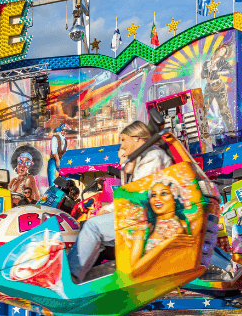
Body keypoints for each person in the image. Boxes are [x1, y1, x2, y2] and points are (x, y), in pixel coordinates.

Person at [66, 121, 173, 283]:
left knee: (93, 227)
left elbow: (137, 193)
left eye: (124, 139)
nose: (122, 145)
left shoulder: (152, 155)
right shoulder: (146, 157)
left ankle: (71, 278)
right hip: (145, 215)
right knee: (96, 231)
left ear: (136, 138)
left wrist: (108, 210)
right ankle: (90, 280)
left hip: (149, 218)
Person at [125, 180, 195, 278]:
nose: (157, 199)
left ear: (174, 197)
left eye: (164, 193)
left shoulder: (186, 226)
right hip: (151, 286)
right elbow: (134, 271)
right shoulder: (144, 230)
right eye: (153, 195)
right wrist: (164, 244)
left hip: (179, 284)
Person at [201, 42, 235, 134]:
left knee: (224, 110)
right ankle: (203, 132)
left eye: (224, 51)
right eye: (221, 49)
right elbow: (202, 75)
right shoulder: (207, 62)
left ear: (224, 54)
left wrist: (220, 73)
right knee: (204, 109)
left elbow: (232, 70)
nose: (222, 51)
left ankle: (231, 132)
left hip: (219, 87)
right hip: (209, 88)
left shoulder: (222, 62)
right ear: (218, 49)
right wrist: (205, 70)